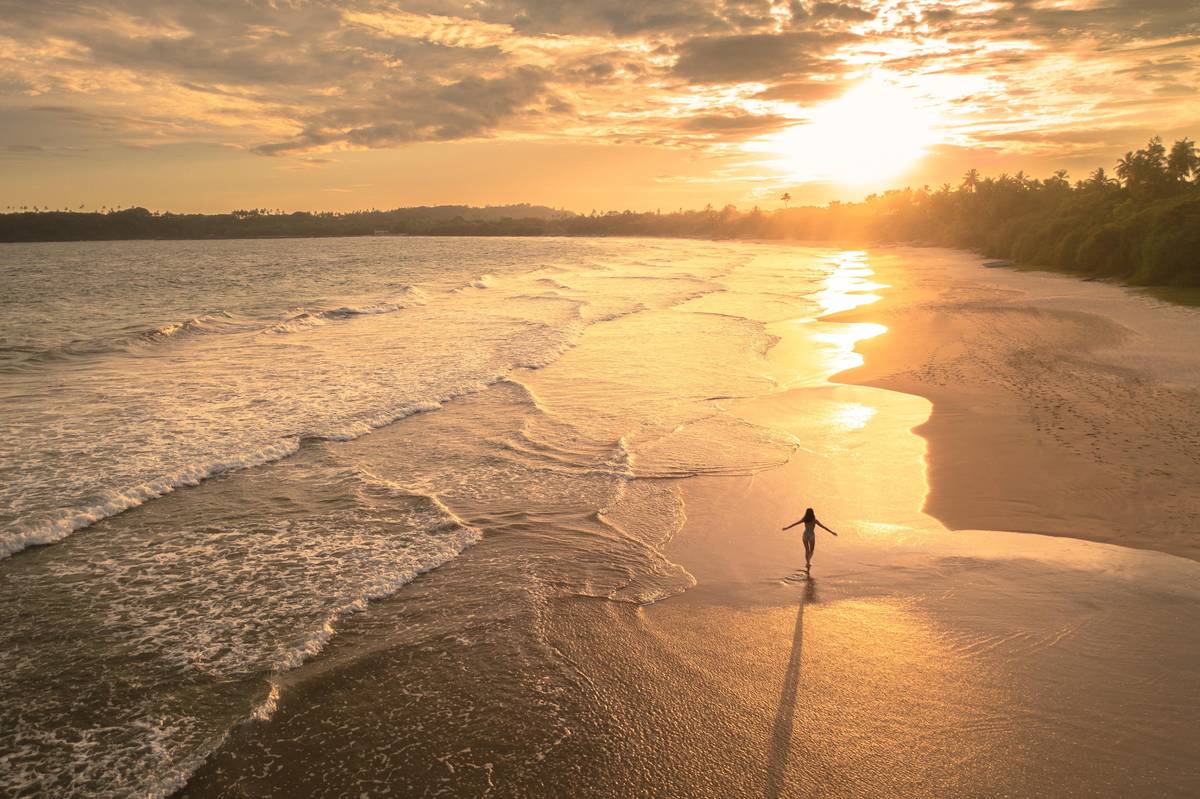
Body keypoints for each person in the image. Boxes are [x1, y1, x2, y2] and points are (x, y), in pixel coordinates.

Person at [782, 507, 837, 573]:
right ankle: (808, 561)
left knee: (807, 550)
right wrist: (832, 532)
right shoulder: (815, 520)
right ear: (813, 513)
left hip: (805, 535)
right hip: (811, 535)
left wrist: (786, 528)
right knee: (811, 550)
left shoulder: (804, 519)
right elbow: (823, 527)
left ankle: (808, 563)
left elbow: (795, 524)